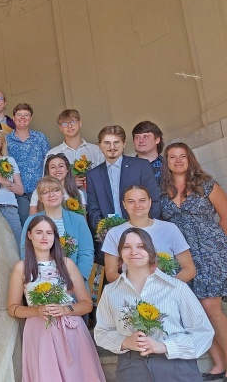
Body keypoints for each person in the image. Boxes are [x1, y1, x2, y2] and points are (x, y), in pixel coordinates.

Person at [95, 228, 214, 382]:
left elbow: (203, 332)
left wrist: (164, 346)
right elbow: (102, 332)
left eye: (140, 246)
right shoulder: (111, 292)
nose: (133, 252)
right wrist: (125, 342)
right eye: (127, 247)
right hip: (132, 366)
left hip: (175, 364)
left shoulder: (176, 288)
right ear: (120, 253)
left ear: (150, 252)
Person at [7, 215, 105, 382]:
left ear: (55, 236)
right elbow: (13, 307)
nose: (45, 237)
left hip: (71, 330)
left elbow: (87, 304)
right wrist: (36, 310)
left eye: (49, 233)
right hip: (39, 331)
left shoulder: (66, 264)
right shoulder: (21, 267)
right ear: (29, 235)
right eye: (39, 232)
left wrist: (65, 309)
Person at [160, 142, 227, 380]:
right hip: (181, 256)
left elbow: (226, 216)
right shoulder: (161, 191)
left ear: (190, 159)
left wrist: (216, 243)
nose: (178, 161)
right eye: (172, 157)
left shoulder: (207, 185)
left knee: (211, 307)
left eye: (182, 156)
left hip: (211, 253)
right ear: (166, 162)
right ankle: (219, 363)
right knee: (194, 310)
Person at [102, 185, 195, 284]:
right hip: (133, 294)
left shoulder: (170, 229)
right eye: (131, 201)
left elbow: (189, 269)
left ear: (150, 202)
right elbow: (111, 273)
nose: (137, 205)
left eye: (142, 200)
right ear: (124, 205)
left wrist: (168, 287)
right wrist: (136, 287)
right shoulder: (114, 233)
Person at [86, 125, 160, 235]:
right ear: (99, 146)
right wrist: (105, 231)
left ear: (124, 144)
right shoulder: (93, 175)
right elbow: (93, 209)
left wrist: (142, 228)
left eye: (116, 142)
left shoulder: (141, 166)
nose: (112, 147)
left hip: (142, 232)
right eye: (107, 143)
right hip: (108, 235)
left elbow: (154, 201)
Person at [20, 176, 94, 282]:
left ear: (62, 193)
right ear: (40, 198)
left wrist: (78, 280)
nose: (51, 195)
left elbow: (86, 252)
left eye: (56, 190)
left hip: (74, 282)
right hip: (40, 281)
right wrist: (34, 278)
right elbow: (25, 251)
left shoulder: (78, 220)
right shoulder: (32, 220)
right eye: (45, 192)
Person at [5, 103, 50, 225]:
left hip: (41, 191)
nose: (22, 118)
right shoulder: (6, 140)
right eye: (19, 115)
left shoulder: (40, 138)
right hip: (19, 193)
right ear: (13, 118)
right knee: (26, 225)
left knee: (45, 223)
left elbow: (48, 162)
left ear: (31, 118)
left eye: (26, 115)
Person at [46, 109, 104, 190]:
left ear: (80, 123)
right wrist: (68, 183)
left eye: (73, 122)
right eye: (65, 123)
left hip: (94, 200)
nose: (69, 126)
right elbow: (47, 184)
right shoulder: (52, 153)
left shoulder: (97, 150)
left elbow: (105, 177)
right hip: (66, 201)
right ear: (60, 128)